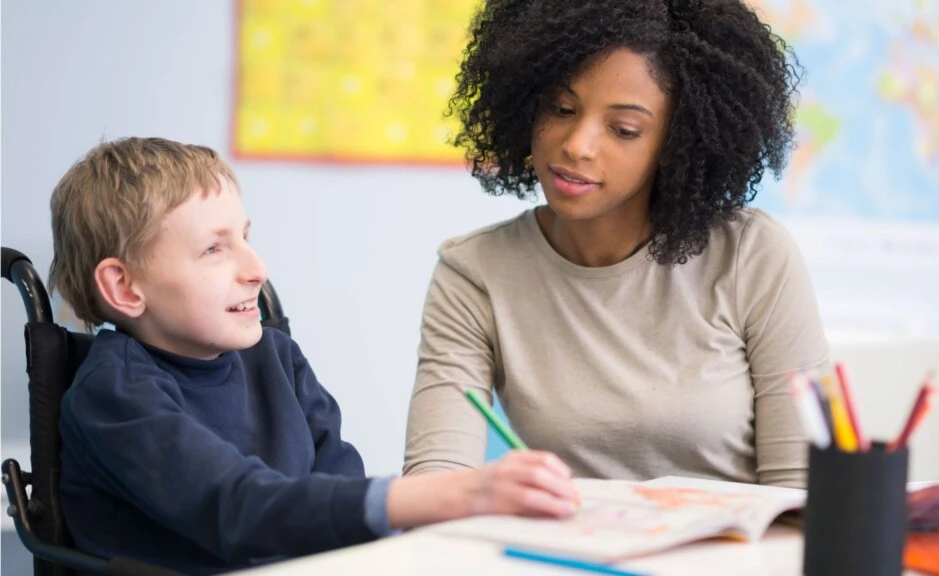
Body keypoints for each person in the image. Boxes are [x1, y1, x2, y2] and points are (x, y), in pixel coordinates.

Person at [50, 137, 578, 575]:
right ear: (124, 287)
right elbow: (240, 509)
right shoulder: (113, 393)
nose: (256, 267)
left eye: (246, 237)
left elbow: (340, 489)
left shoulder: (276, 357)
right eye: (214, 248)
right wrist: (449, 493)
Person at [403, 0, 829, 489]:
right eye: (561, 109)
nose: (578, 144)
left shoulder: (751, 256)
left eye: (623, 129)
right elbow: (433, 484)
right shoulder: (475, 272)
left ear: (678, 142)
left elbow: (802, 493)